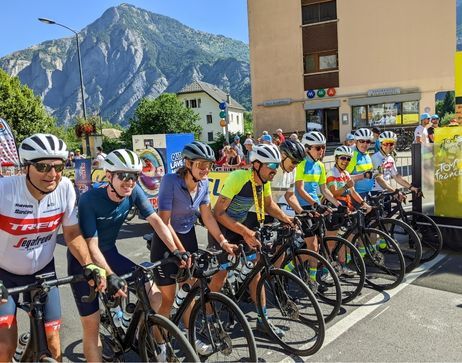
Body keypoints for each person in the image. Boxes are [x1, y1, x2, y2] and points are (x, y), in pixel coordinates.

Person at [67, 149, 181, 362]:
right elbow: (92, 247)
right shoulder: (90, 200)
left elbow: (157, 221)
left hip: (110, 253)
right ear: (109, 176)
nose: (130, 182)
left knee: (155, 296)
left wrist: (176, 251)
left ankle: (136, 331)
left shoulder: (134, 191)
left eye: (135, 176)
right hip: (85, 263)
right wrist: (110, 275)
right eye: (124, 176)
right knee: (91, 329)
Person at [0, 134, 105, 362]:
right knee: (4, 347)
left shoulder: (65, 188)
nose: (52, 174)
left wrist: (89, 264)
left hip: (43, 272)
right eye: (43, 166)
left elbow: (72, 233)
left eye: (58, 166)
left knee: (54, 343)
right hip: (4, 275)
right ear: (26, 167)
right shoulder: (4, 191)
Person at [151, 142, 236, 355]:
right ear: (188, 164)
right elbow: (164, 221)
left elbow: (207, 216)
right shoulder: (170, 181)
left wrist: (222, 241)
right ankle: (160, 343)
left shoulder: (204, 184)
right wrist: (180, 251)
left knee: (189, 291)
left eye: (208, 165)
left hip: (188, 239)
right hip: (165, 242)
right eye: (201, 165)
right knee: (168, 299)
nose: (205, 169)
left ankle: (191, 336)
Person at [208, 144, 293, 338]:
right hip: (221, 229)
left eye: (277, 164)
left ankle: (263, 320)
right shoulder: (238, 178)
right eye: (271, 164)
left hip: (240, 227)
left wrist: (285, 218)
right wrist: (245, 231)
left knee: (256, 273)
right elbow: (218, 213)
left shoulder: (264, 180)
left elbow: (269, 205)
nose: (275, 169)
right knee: (219, 277)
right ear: (256, 164)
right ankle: (209, 317)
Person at [295, 132, 347, 275]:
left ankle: (313, 277)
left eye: (323, 147)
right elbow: (299, 190)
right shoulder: (301, 164)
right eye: (318, 148)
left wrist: (337, 204)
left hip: (315, 206)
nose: (322, 151)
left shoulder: (320, 165)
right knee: (313, 246)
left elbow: (324, 190)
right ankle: (291, 271)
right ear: (307, 148)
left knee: (318, 246)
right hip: (303, 207)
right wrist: (315, 204)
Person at [371, 131, 420, 202]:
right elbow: (379, 179)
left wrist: (411, 187)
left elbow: (396, 176)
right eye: (385, 143)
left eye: (391, 143)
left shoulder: (390, 158)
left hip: (386, 191)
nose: (388, 146)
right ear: (381, 144)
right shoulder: (376, 158)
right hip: (375, 192)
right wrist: (395, 191)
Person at [346, 128, 376, 199]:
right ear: (356, 141)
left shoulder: (366, 153)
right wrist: (363, 176)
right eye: (362, 141)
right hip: (356, 195)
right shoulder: (352, 155)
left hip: (368, 193)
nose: (365, 144)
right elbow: (343, 178)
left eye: (368, 141)